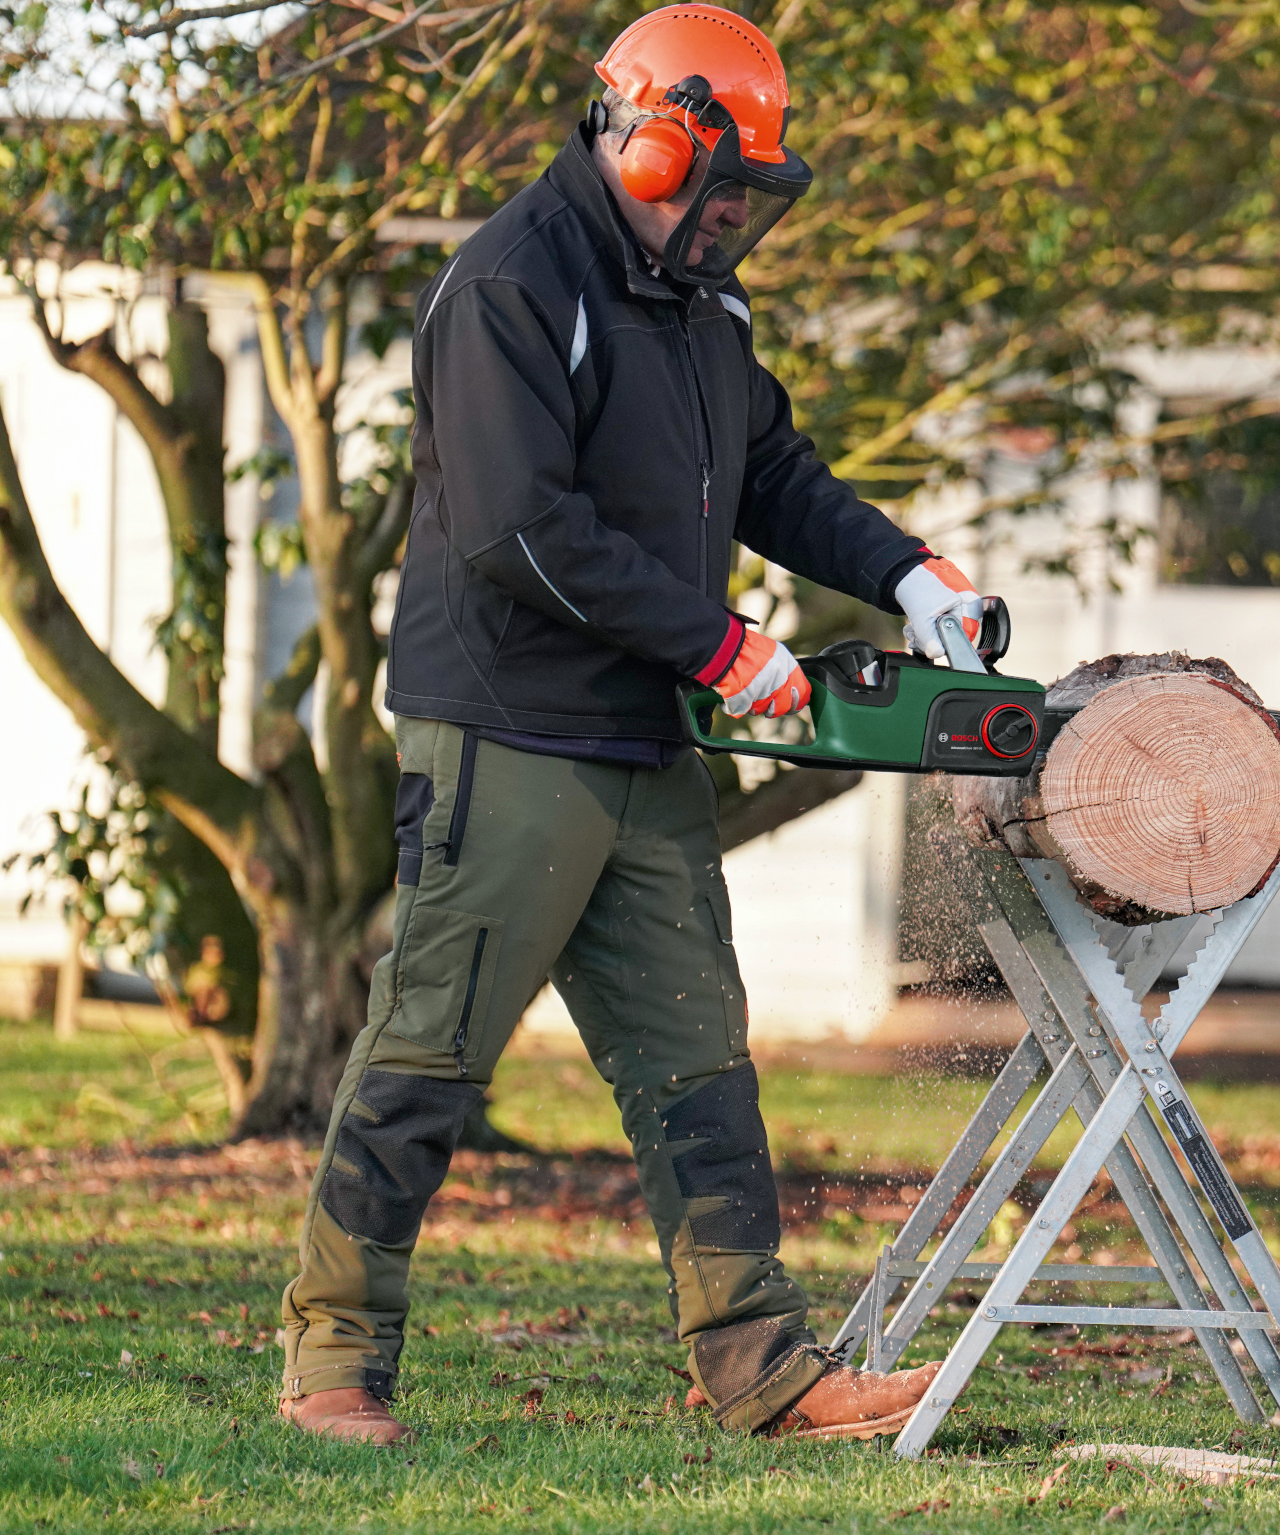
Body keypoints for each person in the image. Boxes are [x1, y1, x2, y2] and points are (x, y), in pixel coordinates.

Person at [276, 3, 989, 1447]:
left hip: (643, 730)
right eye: (721, 194)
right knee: (432, 1048)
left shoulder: (698, 305)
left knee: (696, 1060)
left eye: (752, 205)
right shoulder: (511, 286)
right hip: (507, 727)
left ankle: (761, 1372)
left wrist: (905, 573)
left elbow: (771, 471)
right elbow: (512, 527)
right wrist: (721, 644)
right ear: (653, 145)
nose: (735, 225)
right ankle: (330, 1367)